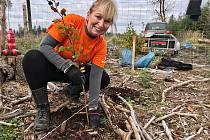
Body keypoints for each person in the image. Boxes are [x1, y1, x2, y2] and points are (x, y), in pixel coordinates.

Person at [22, 0, 118, 131]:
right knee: (32, 58)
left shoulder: (101, 45)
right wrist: (67, 67)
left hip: (75, 74)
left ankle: (72, 91)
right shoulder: (71, 22)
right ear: (88, 14)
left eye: (107, 21)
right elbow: (44, 46)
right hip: (54, 67)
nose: (101, 24)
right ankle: (43, 108)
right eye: (98, 17)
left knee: (103, 78)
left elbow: (95, 78)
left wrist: (93, 108)